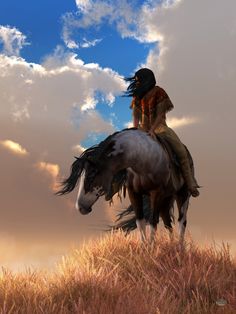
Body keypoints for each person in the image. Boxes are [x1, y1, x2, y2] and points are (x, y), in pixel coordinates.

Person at [125, 68, 200, 197]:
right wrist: (135, 131)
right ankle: (114, 186)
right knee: (123, 151)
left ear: (146, 80)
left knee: (181, 151)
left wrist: (152, 130)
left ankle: (190, 183)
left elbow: (160, 115)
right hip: (142, 129)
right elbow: (136, 116)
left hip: (160, 128)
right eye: (136, 81)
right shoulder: (137, 96)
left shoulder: (159, 92)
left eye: (139, 80)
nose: (136, 83)